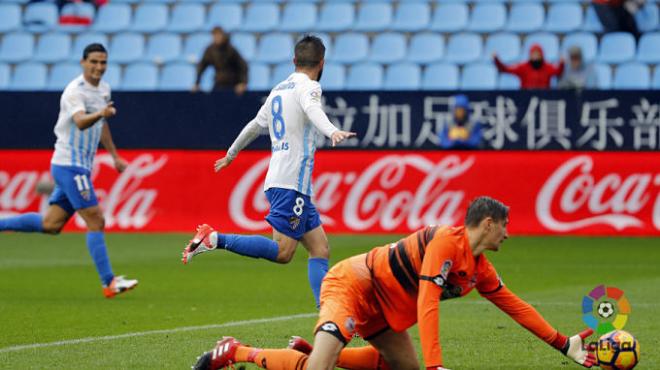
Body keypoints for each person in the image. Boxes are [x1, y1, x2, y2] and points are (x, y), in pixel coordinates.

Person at [191, 197, 598, 370]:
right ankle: (238, 351)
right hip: (352, 285)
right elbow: (428, 302)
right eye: (504, 227)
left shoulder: (481, 267)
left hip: (382, 310)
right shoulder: (444, 242)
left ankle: (314, 349)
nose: (508, 235)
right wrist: (438, 364)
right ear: (487, 223)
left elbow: (514, 305)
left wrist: (563, 343)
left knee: (404, 367)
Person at [181, 35, 356, 308]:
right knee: (284, 252)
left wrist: (231, 153)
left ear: (294, 60)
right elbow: (312, 109)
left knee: (320, 248)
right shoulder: (309, 87)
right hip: (291, 182)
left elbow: (254, 126)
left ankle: (328, 314)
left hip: (282, 179)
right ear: (322, 63)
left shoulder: (278, 89)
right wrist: (332, 131)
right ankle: (214, 239)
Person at [0, 43, 137, 299]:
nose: (99, 67)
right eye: (94, 62)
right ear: (83, 62)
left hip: (80, 165)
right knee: (95, 219)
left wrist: (115, 155)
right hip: (68, 165)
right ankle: (109, 282)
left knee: (51, 224)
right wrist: (101, 113)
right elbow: (81, 121)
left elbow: (101, 125)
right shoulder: (74, 91)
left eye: (103, 63)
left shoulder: (104, 89)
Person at [193, 27, 248, 95]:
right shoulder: (210, 50)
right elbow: (202, 66)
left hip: (233, 84)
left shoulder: (230, 49)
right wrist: (197, 83)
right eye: (215, 36)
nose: (217, 38)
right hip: (218, 83)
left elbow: (242, 65)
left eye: (219, 35)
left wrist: (242, 83)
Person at [493, 44, 564, 89]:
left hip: (543, 97)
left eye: (538, 54)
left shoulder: (548, 67)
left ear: (541, 55)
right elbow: (505, 69)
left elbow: (558, 72)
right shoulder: (523, 67)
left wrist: (562, 64)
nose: (535, 57)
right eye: (533, 54)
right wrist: (497, 60)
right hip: (526, 98)